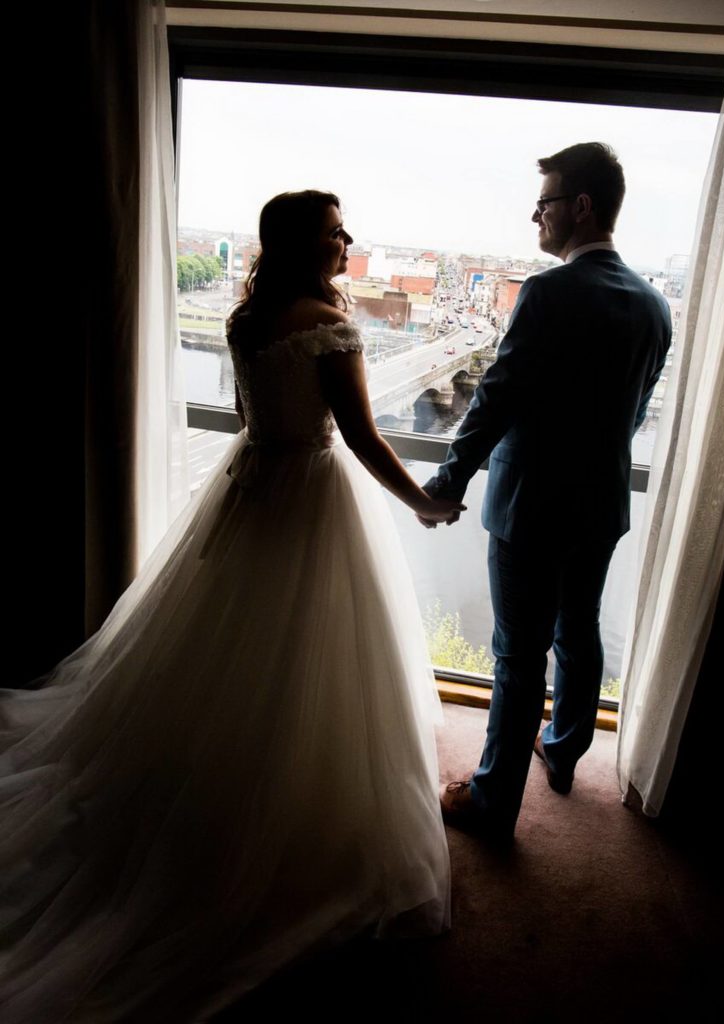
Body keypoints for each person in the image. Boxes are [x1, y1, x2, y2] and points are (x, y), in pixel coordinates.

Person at [0, 190, 462, 1021]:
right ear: (300, 243)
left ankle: (203, 783)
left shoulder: (248, 321)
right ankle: (283, 819)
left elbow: (254, 418)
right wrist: (424, 501)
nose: (346, 242)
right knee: (309, 656)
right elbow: (359, 437)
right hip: (314, 494)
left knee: (230, 649)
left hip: (253, 484)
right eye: (333, 232)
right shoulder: (330, 322)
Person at [426, 143, 672, 840]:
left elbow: (495, 400)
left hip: (529, 505)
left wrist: (445, 483)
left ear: (581, 207)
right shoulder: (653, 305)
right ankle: (562, 750)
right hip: (600, 504)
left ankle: (493, 800)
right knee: (578, 631)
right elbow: (631, 415)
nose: (534, 215)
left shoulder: (547, 291)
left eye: (545, 202)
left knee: (515, 654)